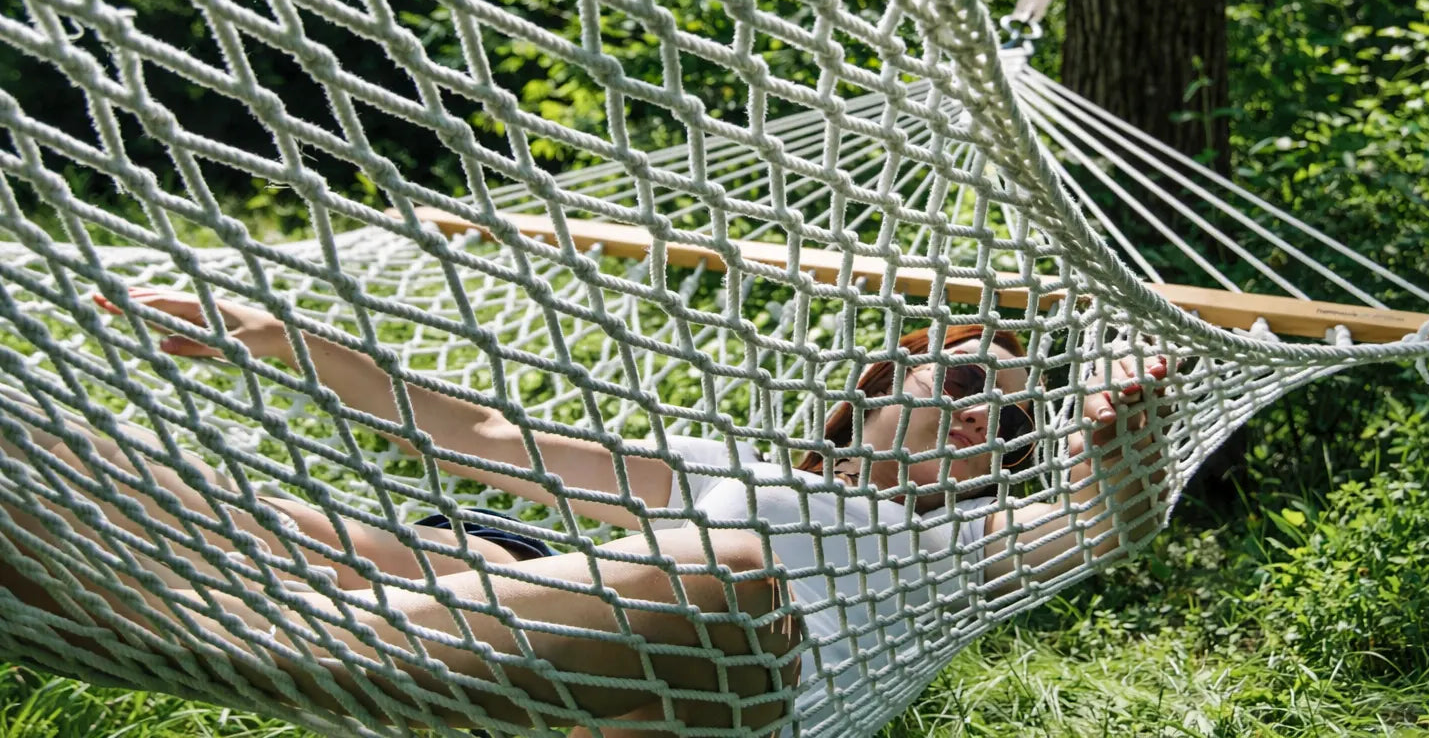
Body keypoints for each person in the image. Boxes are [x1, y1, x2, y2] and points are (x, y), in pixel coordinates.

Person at [1, 287, 1170, 737]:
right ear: (885, 380)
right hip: (532, 659)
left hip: (729, 701)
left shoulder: (969, 546)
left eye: (1014, 427)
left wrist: (1118, 427)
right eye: (968, 382)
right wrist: (285, 337)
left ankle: (220, 635)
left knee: (731, 575)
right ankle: (56, 516)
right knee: (174, 495)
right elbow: (478, 438)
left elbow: (1105, 522)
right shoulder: (718, 463)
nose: (986, 420)